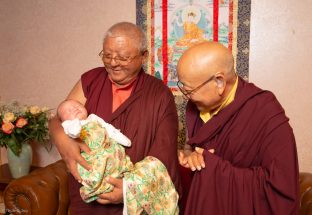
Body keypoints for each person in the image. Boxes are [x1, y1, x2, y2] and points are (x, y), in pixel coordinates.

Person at [48, 22, 182, 214]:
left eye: (123, 57)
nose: (113, 63)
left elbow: (163, 153)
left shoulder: (159, 94)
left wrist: (128, 190)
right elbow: (60, 117)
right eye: (107, 55)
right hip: (87, 193)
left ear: (144, 56)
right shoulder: (91, 80)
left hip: (129, 201)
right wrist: (62, 139)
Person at [177, 41, 299, 214]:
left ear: (219, 82)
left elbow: (280, 187)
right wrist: (190, 155)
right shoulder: (195, 108)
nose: (187, 96)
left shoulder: (264, 112)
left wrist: (215, 168)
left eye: (189, 90)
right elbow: (194, 146)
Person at [57, 99, 133, 203]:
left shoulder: (93, 118)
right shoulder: (68, 125)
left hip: (107, 147)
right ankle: (100, 189)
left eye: (77, 105)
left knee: (118, 156)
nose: (74, 108)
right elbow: (73, 132)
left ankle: (122, 174)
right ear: (63, 121)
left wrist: (123, 140)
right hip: (92, 155)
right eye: (68, 111)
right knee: (95, 169)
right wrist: (74, 125)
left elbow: (109, 129)